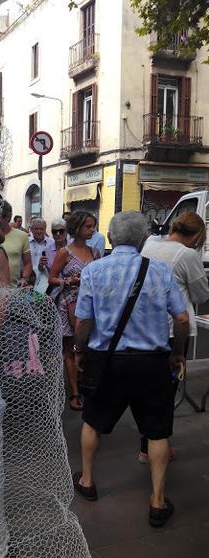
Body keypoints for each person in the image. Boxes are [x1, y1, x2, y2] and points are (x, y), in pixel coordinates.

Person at [73, 211, 189, 528]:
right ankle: (157, 501)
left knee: (93, 421)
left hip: (106, 360)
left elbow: (83, 321)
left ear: (110, 238)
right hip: (151, 361)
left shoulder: (93, 271)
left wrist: (80, 352)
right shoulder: (160, 272)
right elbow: (181, 319)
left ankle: (87, 481)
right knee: (157, 429)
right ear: (143, 239)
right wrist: (177, 353)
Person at [138, 211, 209, 462]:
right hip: (174, 329)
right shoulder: (187, 254)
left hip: (145, 326)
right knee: (167, 392)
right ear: (197, 235)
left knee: (147, 390)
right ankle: (158, 447)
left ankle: (146, 444)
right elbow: (201, 295)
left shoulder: (150, 244)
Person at [48, 211, 100, 410]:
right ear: (77, 227)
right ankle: (75, 392)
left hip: (90, 305)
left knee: (87, 347)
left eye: (93, 226)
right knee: (70, 349)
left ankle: (85, 385)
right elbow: (53, 278)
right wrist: (68, 280)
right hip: (69, 302)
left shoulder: (95, 252)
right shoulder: (64, 252)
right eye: (88, 226)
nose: (91, 230)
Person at [0, 200, 32, 287]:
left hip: (14, 290)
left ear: (8, 217)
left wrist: (24, 278)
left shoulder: (22, 236)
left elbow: (27, 263)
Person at [28, 218, 55, 289]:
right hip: (29, 281)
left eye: (41, 229)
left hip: (46, 282)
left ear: (45, 230)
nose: (39, 231)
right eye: (36, 229)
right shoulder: (26, 242)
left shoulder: (52, 243)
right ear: (31, 230)